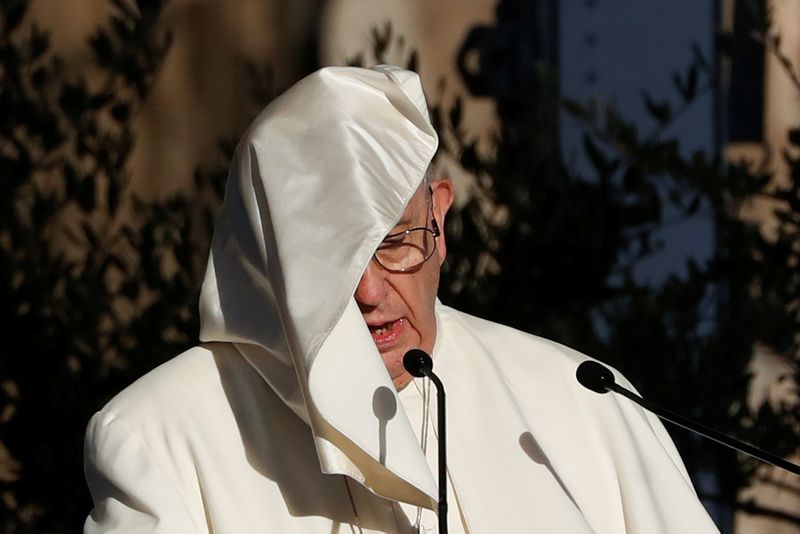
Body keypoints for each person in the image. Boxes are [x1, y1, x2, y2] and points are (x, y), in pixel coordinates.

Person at [83, 65, 719, 533]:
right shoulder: (159, 439)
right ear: (263, 262)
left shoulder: (587, 403)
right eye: (327, 260)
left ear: (439, 222)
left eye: (394, 242)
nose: (368, 291)